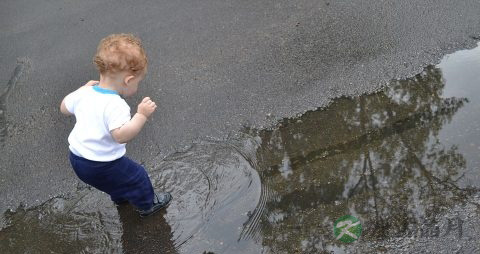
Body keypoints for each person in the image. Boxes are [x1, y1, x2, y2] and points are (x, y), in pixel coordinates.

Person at [59, 33, 172, 217]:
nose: (137, 86)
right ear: (128, 80)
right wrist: (141, 115)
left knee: (115, 180)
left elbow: (64, 108)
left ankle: (120, 196)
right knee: (137, 177)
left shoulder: (85, 92)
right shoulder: (116, 105)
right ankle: (148, 205)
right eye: (138, 82)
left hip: (77, 158)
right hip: (100, 163)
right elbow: (121, 136)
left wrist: (81, 89)